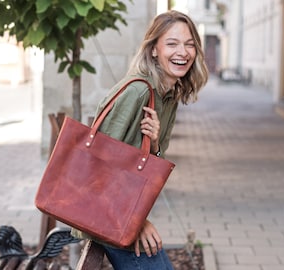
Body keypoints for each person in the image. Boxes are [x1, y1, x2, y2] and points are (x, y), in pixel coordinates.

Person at [72, 10, 209, 270]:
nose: (183, 52)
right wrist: (138, 221)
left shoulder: (168, 95)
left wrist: (155, 144)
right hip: (108, 213)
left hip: (122, 212)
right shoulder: (137, 91)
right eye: (172, 43)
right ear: (154, 49)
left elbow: (149, 165)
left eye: (189, 44)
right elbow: (98, 166)